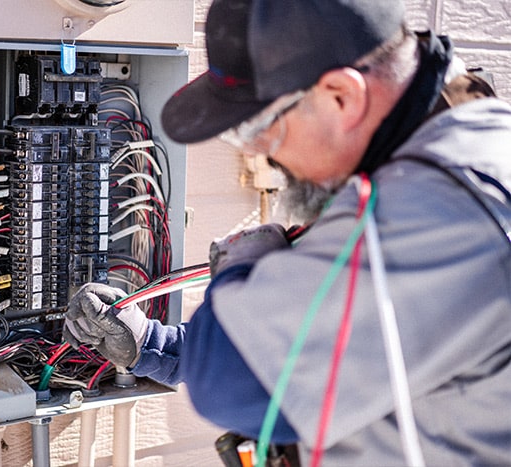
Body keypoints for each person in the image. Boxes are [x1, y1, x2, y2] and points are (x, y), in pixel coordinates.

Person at [63, 0, 511, 465]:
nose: (269, 158)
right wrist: (151, 343)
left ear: (341, 96)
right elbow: (327, 356)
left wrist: (246, 266)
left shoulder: (437, 209)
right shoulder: (430, 154)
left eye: (260, 128)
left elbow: (235, 381)